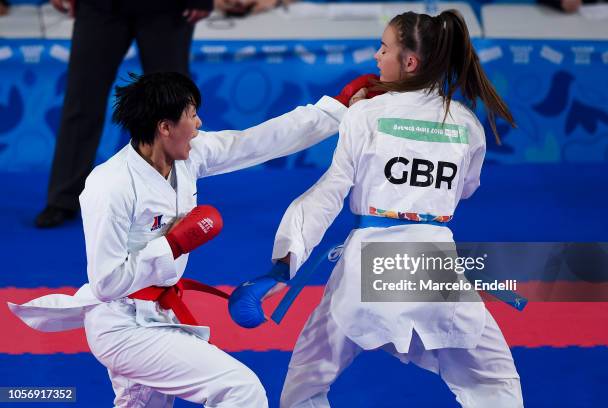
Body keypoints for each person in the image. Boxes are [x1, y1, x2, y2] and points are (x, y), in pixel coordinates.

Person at [10, 71, 375, 407]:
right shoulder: (110, 186)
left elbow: (255, 142)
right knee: (241, 390)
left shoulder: (186, 157)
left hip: (160, 313)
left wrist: (336, 110)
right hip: (122, 325)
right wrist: (172, 244)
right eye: (192, 115)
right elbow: (106, 283)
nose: (199, 125)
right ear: (165, 127)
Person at [229, 10, 524, 407]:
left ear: (410, 63)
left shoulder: (365, 113)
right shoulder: (467, 123)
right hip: (435, 265)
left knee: (306, 383)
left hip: (370, 265)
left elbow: (329, 193)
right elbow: (465, 190)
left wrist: (284, 264)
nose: (376, 57)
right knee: (495, 384)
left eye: (384, 49)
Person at [35, 0, 211, 228]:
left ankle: (179, 200)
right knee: (82, 99)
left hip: (167, 9)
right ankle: (63, 198)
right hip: (99, 8)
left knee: (174, 105)